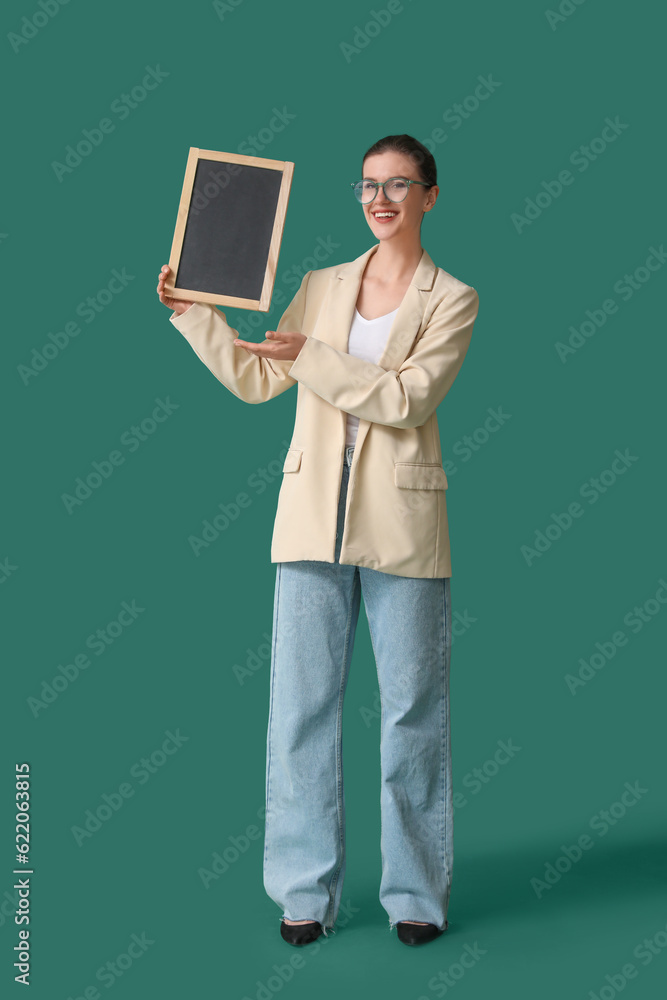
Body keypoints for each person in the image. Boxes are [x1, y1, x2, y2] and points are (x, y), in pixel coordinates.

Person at [157, 134, 479, 948]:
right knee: (298, 712)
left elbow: (407, 400)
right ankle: (304, 892)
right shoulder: (320, 285)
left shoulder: (453, 298)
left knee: (412, 713)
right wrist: (197, 315)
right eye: (369, 185)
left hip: (402, 526)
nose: (381, 198)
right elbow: (263, 376)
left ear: (429, 196)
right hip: (308, 520)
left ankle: (414, 897)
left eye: (399, 184)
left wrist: (320, 360)